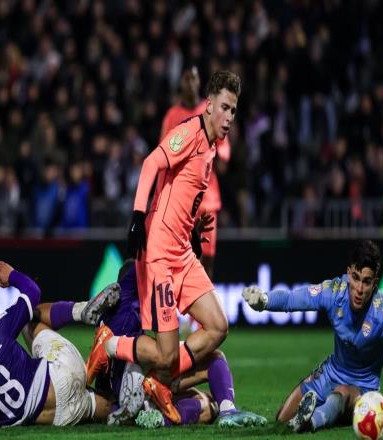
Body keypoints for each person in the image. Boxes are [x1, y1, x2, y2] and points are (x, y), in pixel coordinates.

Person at [91, 70, 241, 424]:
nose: (229, 117)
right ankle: (109, 344)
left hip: (183, 252)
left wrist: (193, 230)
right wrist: (137, 217)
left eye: (234, 110)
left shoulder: (211, 147)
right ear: (208, 105)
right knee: (165, 354)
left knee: (218, 327)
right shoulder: (190, 132)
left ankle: (161, 382)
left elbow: (182, 196)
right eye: (224, 107)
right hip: (159, 254)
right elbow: (151, 164)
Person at [242, 240, 383, 433]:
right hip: (330, 374)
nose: (359, 289)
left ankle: (310, 423)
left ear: (375, 283)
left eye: (366, 282)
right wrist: (264, 301)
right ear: (348, 273)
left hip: (362, 389)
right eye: (356, 278)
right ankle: (317, 415)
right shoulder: (334, 292)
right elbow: (292, 299)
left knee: (342, 393)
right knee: (282, 419)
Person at [87, 258, 266, 429]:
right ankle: (223, 410)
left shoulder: (107, 318)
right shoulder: (133, 297)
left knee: (208, 402)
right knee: (213, 362)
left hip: (119, 398)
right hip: (140, 380)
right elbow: (148, 264)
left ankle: (154, 414)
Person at [0, 261, 118, 427]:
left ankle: (125, 406)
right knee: (29, 319)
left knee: (107, 408)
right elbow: (33, 291)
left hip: (58, 417)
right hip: (63, 374)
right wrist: (11, 275)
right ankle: (82, 311)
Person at [160, 65, 231, 279]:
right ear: (181, 83)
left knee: (207, 258)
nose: (191, 83)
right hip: (182, 200)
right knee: (181, 258)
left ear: (199, 82)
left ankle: (201, 301)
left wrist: (221, 155)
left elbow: (223, 145)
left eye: (194, 78)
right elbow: (163, 155)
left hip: (207, 198)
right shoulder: (172, 116)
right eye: (187, 79)